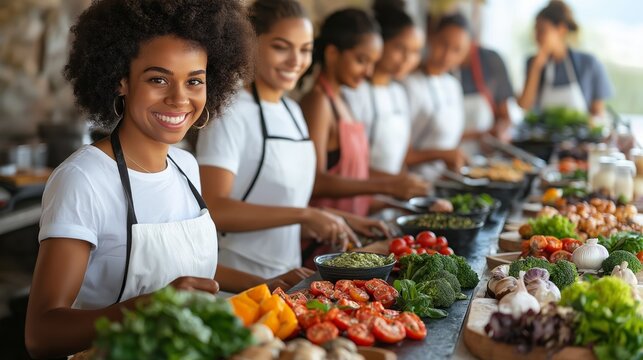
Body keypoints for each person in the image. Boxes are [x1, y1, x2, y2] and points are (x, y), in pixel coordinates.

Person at [24, 1, 275, 357]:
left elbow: (182, 263)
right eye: (158, 79)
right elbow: (41, 334)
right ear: (121, 80)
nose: (179, 98)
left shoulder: (186, 166)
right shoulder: (83, 179)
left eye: (194, 81)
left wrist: (267, 285)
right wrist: (148, 306)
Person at [196, 0, 387, 280]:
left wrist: (335, 219)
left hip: (287, 277)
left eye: (305, 50)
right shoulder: (230, 111)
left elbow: (281, 200)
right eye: (281, 47)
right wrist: (303, 216)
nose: (296, 61)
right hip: (236, 280)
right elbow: (215, 208)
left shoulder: (293, 110)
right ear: (250, 44)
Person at [300, 8, 428, 218]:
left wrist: (399, 199)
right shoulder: (318, 102)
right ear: (332, 54)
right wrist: (388, 186)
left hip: (349, 229)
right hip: (323, 238)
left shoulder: (341, 100)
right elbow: (316, 181)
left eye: (372, 63)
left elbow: (354, 176)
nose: (368, 72)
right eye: (361, 60)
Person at [342, 0, 425, 175]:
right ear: (380, 43)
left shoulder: (399, 93)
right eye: (400, 48)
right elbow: (346, 164)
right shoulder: (353, 93)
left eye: (415, 51)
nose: (407, 59)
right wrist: (393, 185)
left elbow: (402, 156)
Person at [403, 13, 469, 181]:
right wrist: (441, 154)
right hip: (411, 183)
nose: (447, 55)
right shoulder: (409, 84)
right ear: (431, 38)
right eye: (443, 44)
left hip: (442, 183)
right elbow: (401, 153)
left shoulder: (453, 86)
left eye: (456, 50)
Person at [518, 0, 613, 116]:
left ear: (561, 29)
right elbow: (524, 105)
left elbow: (597, 113)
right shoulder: (532, 63)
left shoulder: (588, 63)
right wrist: (536, 67)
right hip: (541, 133)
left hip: (581, 133)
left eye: (542, 30)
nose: (536, 36)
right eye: (535, 30)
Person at [454, 42, 516, 151]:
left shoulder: (490, 60)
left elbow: (505, 117)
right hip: (449, 155)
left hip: (485, 154)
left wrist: (500, 132)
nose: (449, 55)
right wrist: (479, 135)